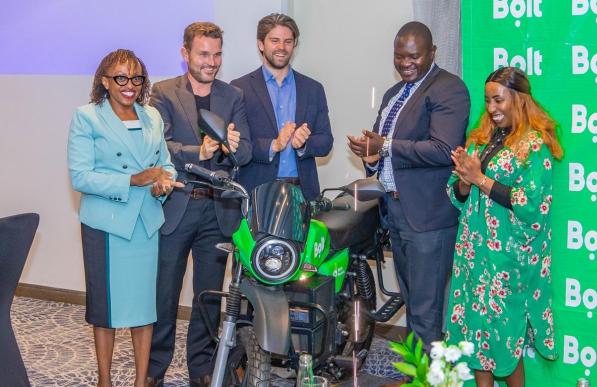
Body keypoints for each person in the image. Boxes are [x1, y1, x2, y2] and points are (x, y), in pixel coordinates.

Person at [348, 21, 470, 349]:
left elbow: (443, 149)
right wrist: (370, 154)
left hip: (428, 219)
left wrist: (386, 144)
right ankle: (416, 376)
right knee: (413, 305)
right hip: (397, 212)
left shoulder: (448, 88)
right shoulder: (393, 94)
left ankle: (427, 380)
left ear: (432, 53)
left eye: (414, 57)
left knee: (427, 313)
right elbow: (381, 149)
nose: (405, 63)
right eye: (399, 56)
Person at [146, 22, 252, 387]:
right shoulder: (162, 93)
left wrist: (232, 146)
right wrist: (199, 151)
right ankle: (153, 371)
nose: (211, 62)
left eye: (217, 54)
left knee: (208, 298)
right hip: (176, 206)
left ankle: (203, 372)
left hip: (217, 211)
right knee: (164, 296)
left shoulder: (233, 95)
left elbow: (248, 151)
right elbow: (158, 145)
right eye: (204, 53)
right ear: (185, 53)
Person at [67, 49, 181, 387]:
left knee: (144, 309)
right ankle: (105, 380)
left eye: (135, 78)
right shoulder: (87, 117)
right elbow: (80, 177)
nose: (128, 85)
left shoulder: (152, 117)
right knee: (107, 310)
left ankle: (139, 381)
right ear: (105, 81)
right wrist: (133, 180)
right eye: (120, 78)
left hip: (145, 223)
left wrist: (163, 183)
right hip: (107, 225)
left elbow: (165, 163)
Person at [444, 66, 562, 387]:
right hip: (473, 255)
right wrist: (466, 181)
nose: (492, 109)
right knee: (477, 333)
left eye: (498, 100)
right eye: (488, 101)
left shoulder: (533, 145)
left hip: (507, 261)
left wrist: (480, 179)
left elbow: (530, 203)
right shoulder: (480, 138)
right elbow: (456, 194)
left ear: (519, 100)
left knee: (505, 339)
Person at [230, 13, 333, 200]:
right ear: (261, 44)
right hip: (257, 194)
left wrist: (303, 145)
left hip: (302, 194)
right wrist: (273, 145)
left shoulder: (313, 89)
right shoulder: (239, 88)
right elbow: (238, 147)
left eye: (288, 41)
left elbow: (326, 142)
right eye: (274, 40)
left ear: (294, 45)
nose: (281, 47)